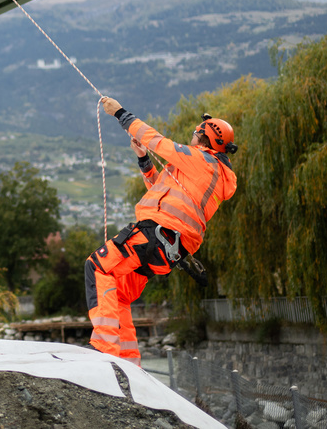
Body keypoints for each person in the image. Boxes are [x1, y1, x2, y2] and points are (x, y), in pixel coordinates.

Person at [85, 97, 238, 366]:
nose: (192, 137)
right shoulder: (214, 175)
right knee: (119, 292)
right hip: (167, 249)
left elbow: (158, 141)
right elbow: (162, 193)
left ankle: (105, 350)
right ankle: (128, 361)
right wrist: (144, 159)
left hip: (154, 235)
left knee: (98, 266)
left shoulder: (200, 160)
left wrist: (120, 114)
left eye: (195, 134)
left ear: (205, 139)